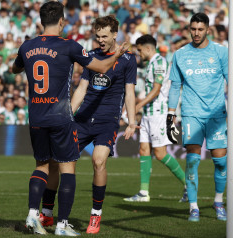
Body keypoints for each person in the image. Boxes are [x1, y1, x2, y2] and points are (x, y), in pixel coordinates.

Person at [12, 2, 127, 236]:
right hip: (60, 117)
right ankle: (63, 225)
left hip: (36, 117)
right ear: (62, 21)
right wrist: (118, 54)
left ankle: (33, 215)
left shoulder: (27, 46)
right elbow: (102, 67)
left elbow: (15, 69)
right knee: (67, 170)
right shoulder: (69, 46)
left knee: (42, 166)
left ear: (40, 22)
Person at [39, 15, 138, 234]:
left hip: (108, 121)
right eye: (97, 36)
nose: (101, 40)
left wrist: (131, 121)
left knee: (98, 161)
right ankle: (46, 213)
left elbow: (130, 92)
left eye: (105, 36)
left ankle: (95, 215)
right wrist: (68, 114)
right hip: (83, 120)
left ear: (115, 34)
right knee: (57, 162)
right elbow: (82, 89)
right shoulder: (91, 57)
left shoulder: (128, 60)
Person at [166, 13, 228, 222]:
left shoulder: (221, 52)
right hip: (192, 112)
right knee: (192, 161)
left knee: (221, 161)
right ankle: (194, 207)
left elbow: (232, 80)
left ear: (208, 30)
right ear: (189, 29)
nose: (196, 33)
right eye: (193, 29)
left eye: (200, 29)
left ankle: (218, 201)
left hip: (216, 113)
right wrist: (171, 114)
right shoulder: (180, 54)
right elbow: (175, 86)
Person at [123, 34, 187, 203]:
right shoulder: (151, 63)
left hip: (159, 113)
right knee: (144, 150)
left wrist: (137, 105)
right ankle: (144, 193)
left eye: (139, 50)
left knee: (160, 153)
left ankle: (189, 185)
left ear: (148, 48)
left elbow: (157, 89)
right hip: (148, 114)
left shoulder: (159, 62)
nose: (139, 54)